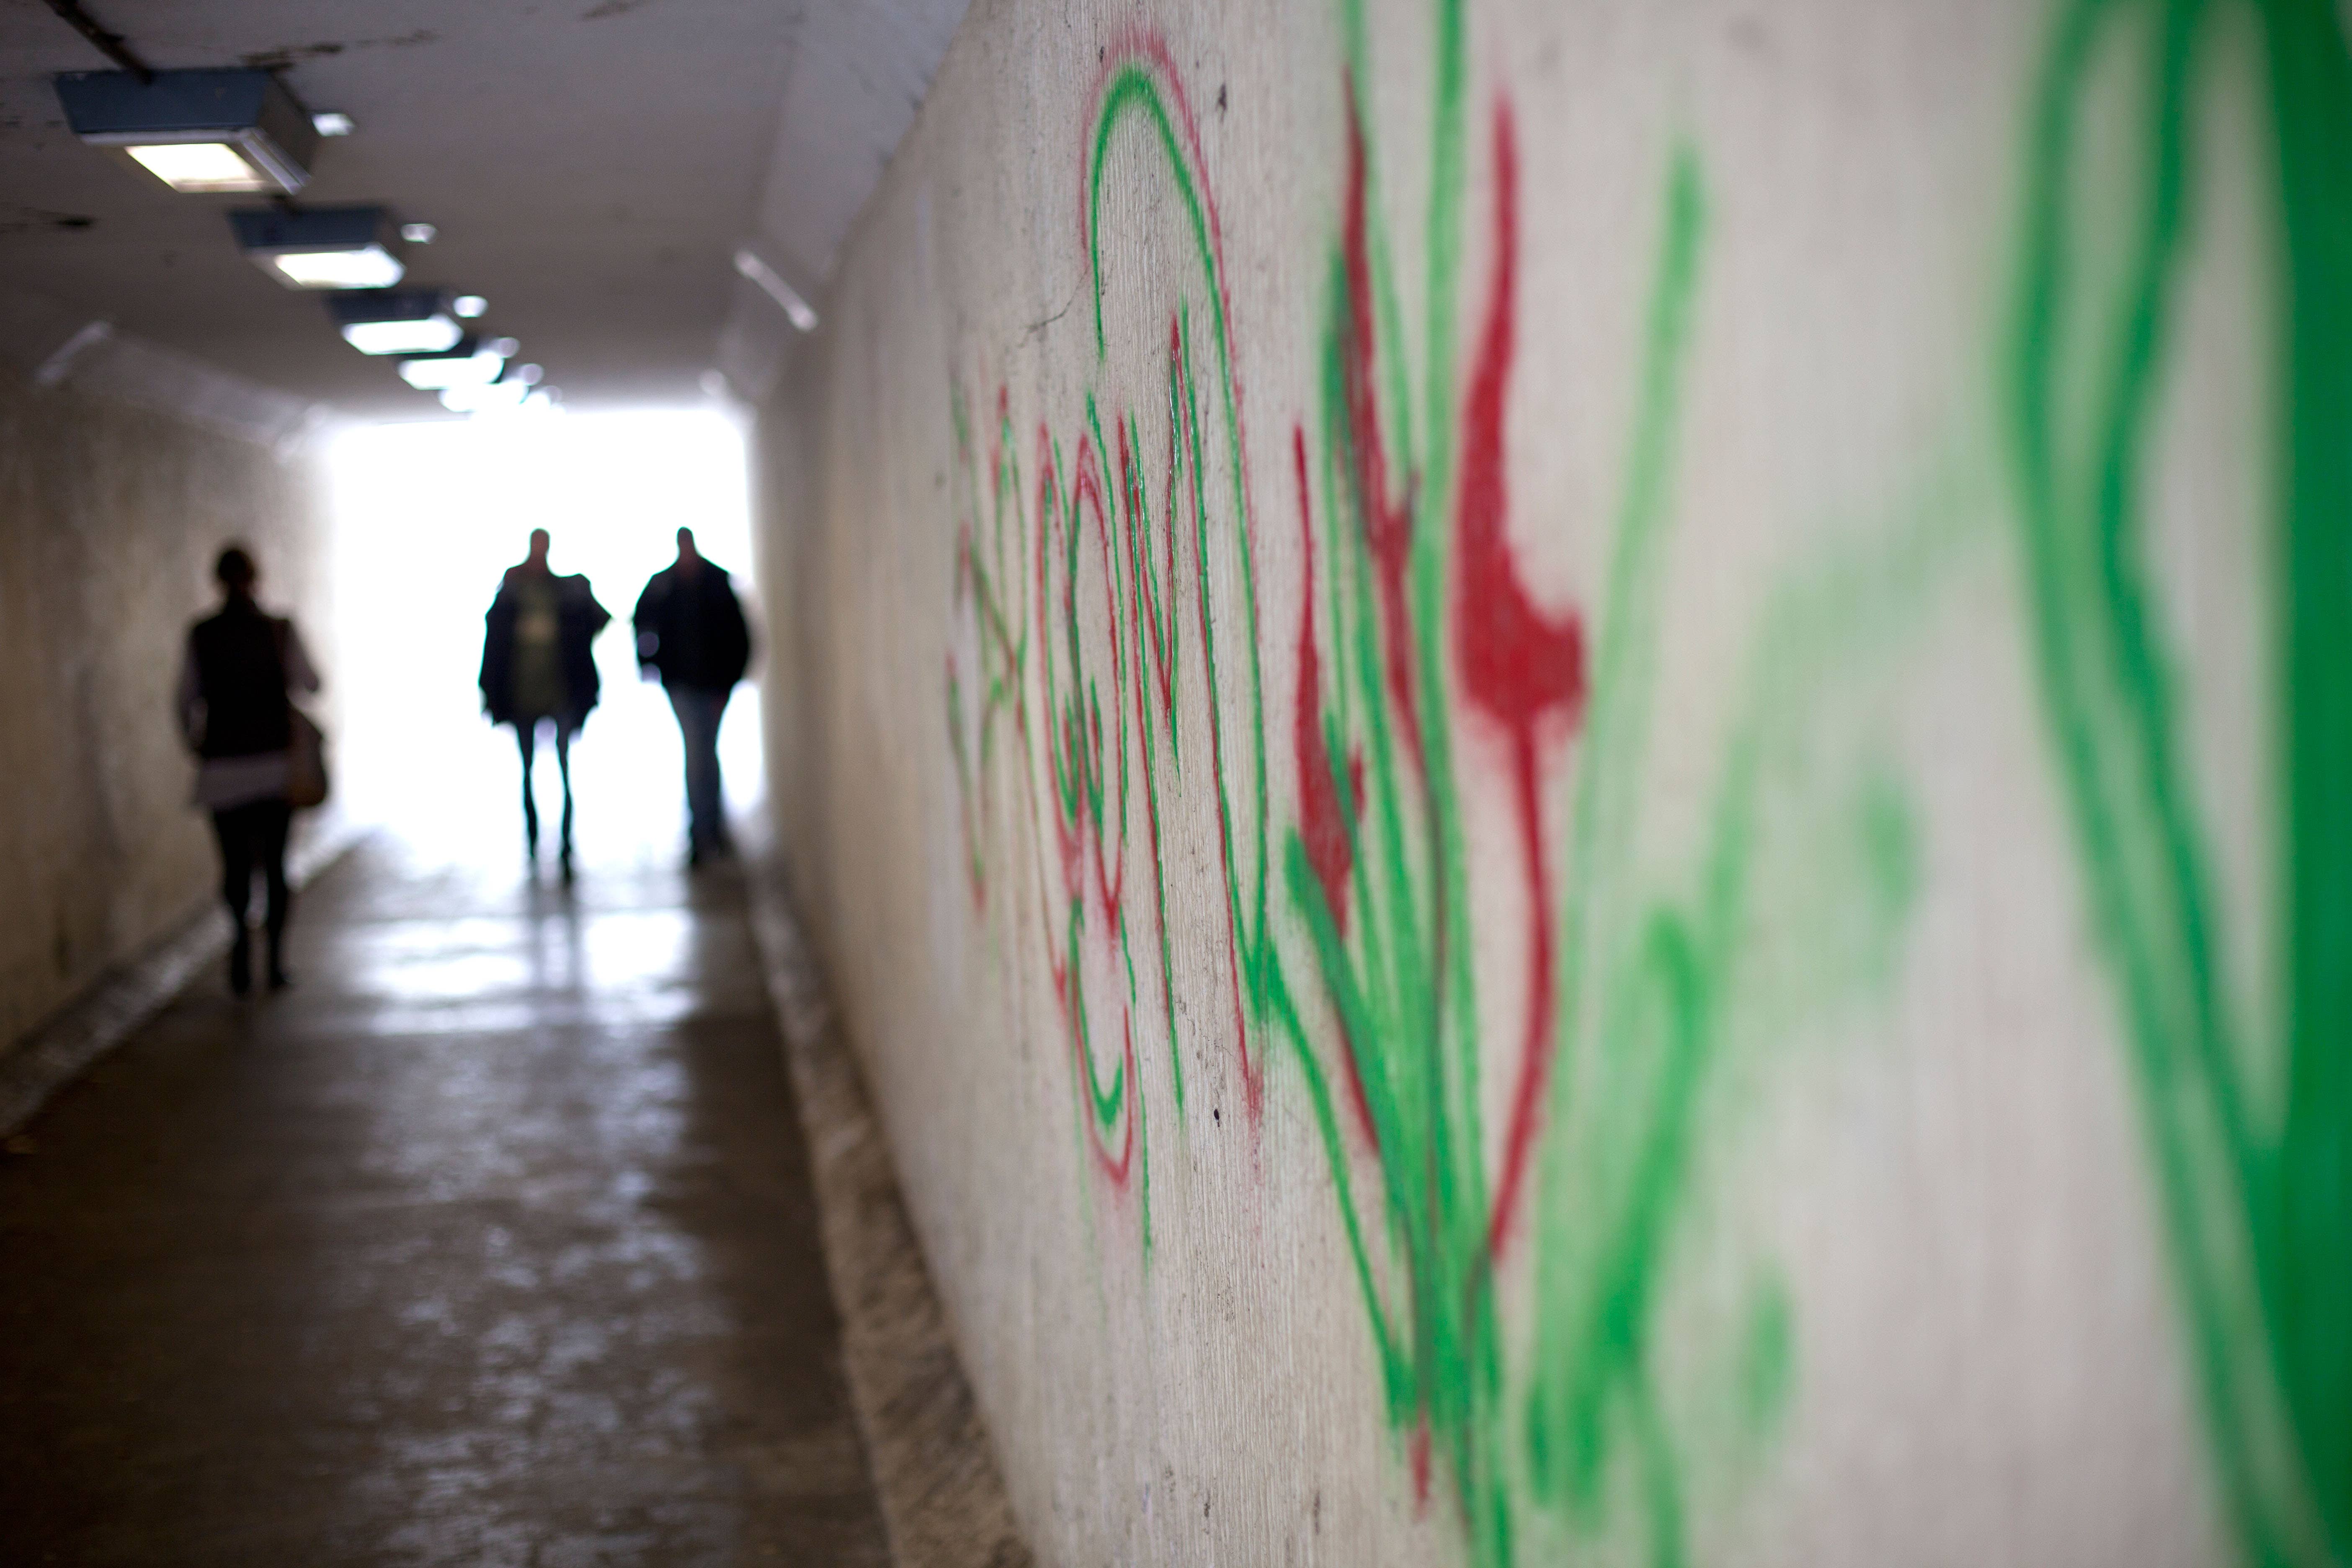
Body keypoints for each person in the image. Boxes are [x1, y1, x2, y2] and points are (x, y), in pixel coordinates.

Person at [177, 544, 322, 995]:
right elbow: (311, 682)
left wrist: (199, 745)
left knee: (235, 866)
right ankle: (275, 961)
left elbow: (185, 700)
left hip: (223, 769)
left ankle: (241, 946)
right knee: (275, 865)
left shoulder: (202, 634)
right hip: (274, 765)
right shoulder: (278, 631)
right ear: (256, 578)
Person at [479, 529, 610, 878]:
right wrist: (490, 691)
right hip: (523, 697)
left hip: (562, 694)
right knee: (528, 771)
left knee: (565, 771)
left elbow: (599, 620)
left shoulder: (566, 590)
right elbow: (494, 644)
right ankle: (534, 839)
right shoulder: (512, 591)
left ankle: (566, 845)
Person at [632, 528, 751, 865]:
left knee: (704, 754)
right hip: (682, 685)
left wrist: (728, 683)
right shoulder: (664, 585)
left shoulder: (716, 582)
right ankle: (705, 831)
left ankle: (710, 828)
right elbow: (642, 624)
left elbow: (739, 635)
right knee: (700, 754)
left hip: (713, 686)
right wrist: (649, 663)